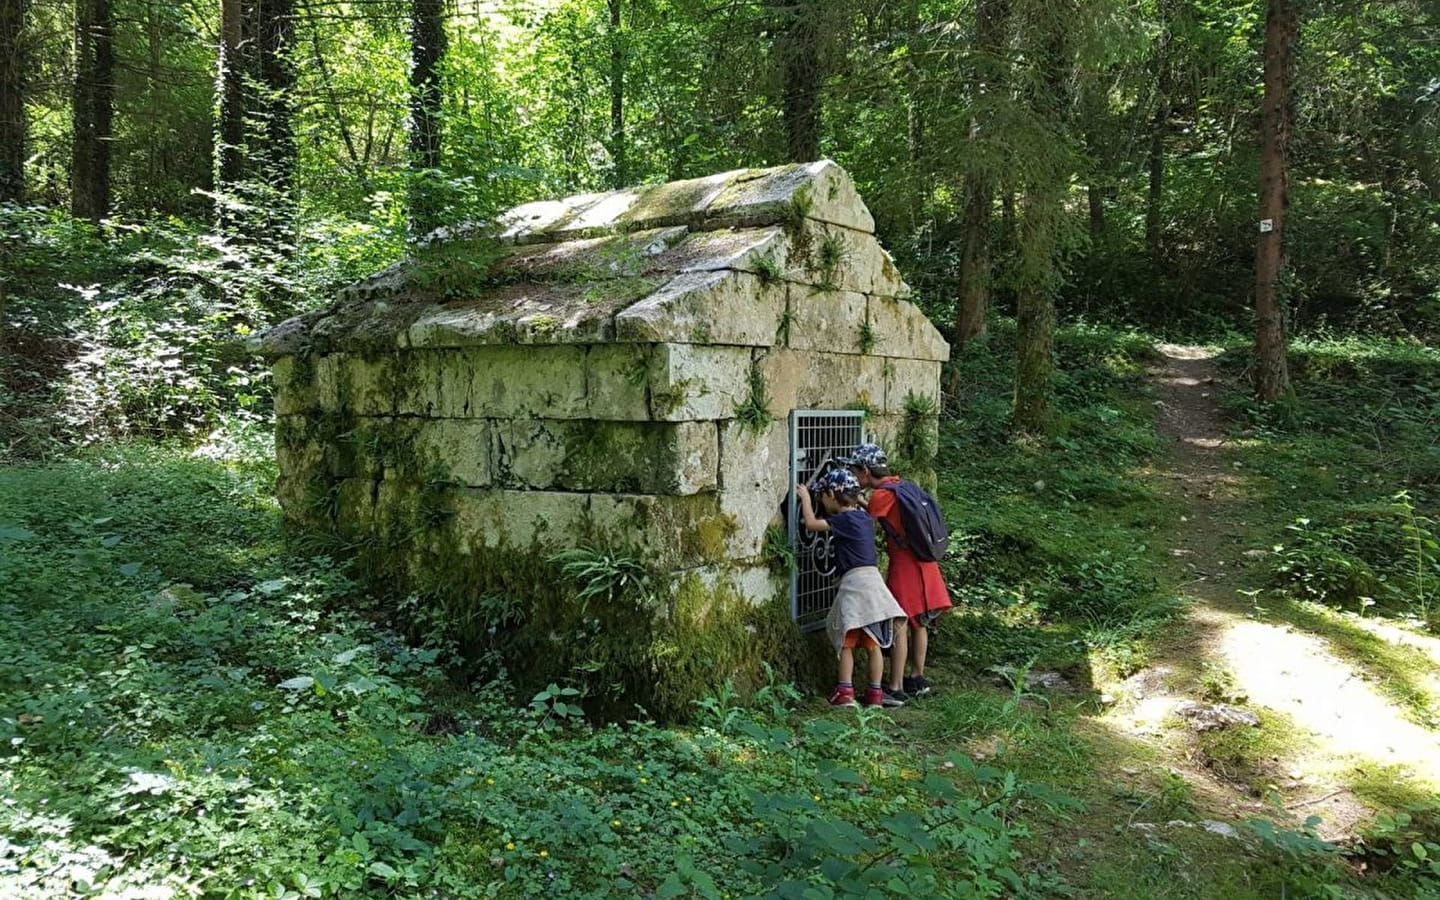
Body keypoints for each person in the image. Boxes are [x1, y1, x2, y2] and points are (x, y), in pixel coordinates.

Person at [844, 443, 952, 697]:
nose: (854, 476)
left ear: (866, 471)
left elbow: (866, 523)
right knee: (919, 622)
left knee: (899, 621)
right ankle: (917, 677)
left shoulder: (882, 495)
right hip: (925, 560)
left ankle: (895, 687)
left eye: (855, 471)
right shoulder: (903, 486)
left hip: (905, 564)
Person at [796, 469, 908, 708]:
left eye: (822, 497)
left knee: (846, 641)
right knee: (873, 644)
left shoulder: (845, 519)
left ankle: (845, 690)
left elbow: (812, 524)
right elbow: (861, 504)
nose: (821, 502)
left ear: (831, 494)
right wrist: (858, 497)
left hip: (856, 586)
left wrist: (805, 498)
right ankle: (875, 694)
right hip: (874, 585)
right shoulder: (865, 518)